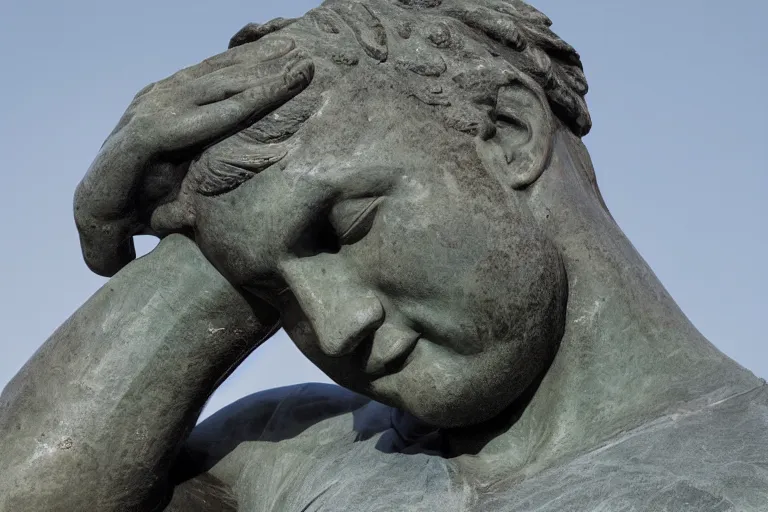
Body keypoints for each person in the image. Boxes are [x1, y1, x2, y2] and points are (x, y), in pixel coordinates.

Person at [2, 0, 766, 510]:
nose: (334, 329)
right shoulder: (285, 457)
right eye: (277, 297)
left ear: (508, 133)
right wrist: (194, 260)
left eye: (346, 227)